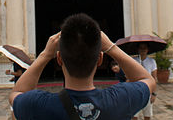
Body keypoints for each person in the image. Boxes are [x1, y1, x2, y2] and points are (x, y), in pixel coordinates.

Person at [10, 13, 156, 120]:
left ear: (59, 59)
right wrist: (111, 47)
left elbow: (17, 93)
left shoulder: (39, 105)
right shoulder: (119, 100)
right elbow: (147, 80)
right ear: (100, 60)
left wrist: (45, 55)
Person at [132, 43, 157, 120]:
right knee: (134, 115)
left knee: (147, 115)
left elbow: (154, 78)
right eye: (141, 48)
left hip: (148, 90)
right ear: (138, 49)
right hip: (136, 91)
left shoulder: (152, 61)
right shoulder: (133, 61)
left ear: (147, 49)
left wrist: (154, 93)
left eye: (145, 48)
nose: (143, 50)